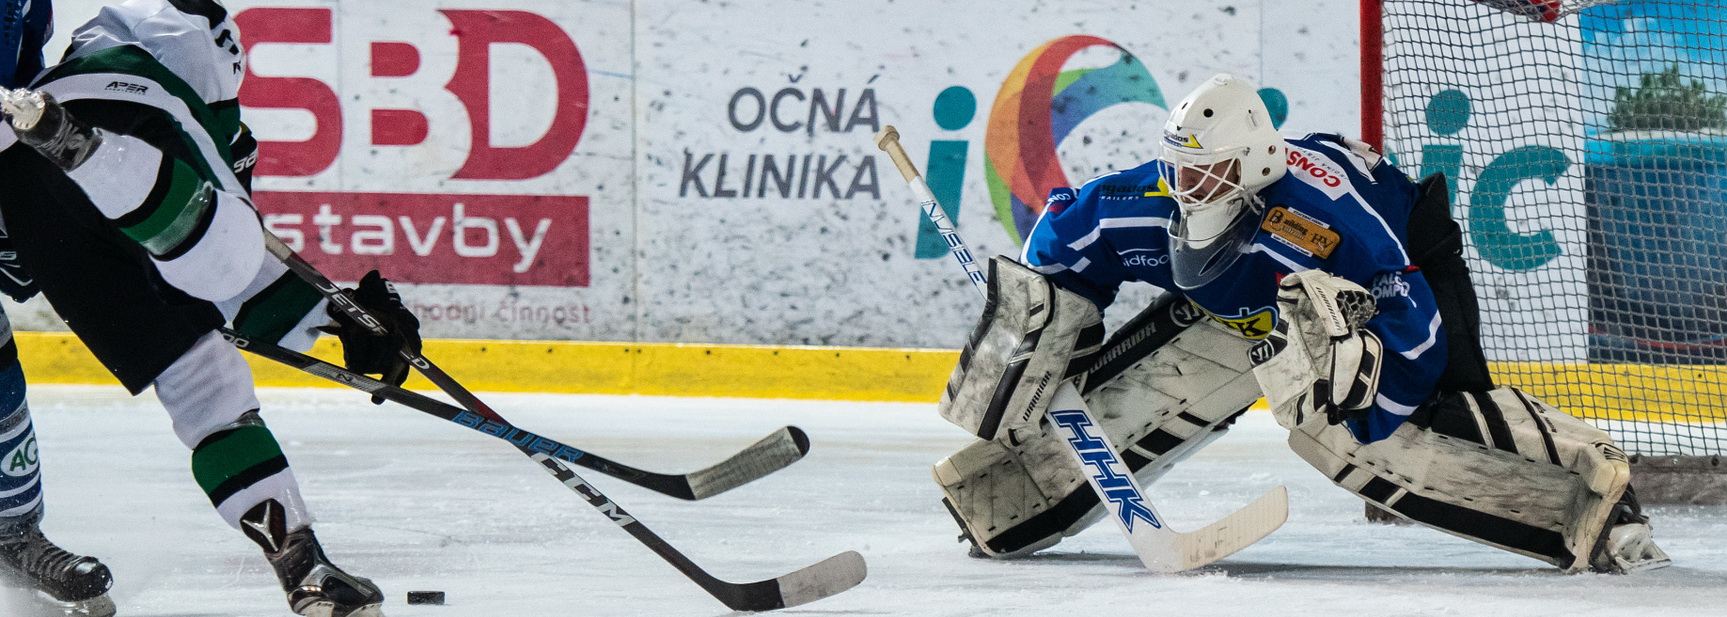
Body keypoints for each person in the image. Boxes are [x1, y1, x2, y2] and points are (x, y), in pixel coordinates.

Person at [932, 73, 1670, 574]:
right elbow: (1060, 246)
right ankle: (1008, 502)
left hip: (1404, 256)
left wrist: (1370, 403)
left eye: (1206, 174)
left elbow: (1411, 324)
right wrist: (1048, 326)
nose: (1186, 188)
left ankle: (1600, 498)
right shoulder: (1150, 202)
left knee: (1361, 432)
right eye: (1180, 171)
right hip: (1256, 293)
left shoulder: (1324, 225)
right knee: (1169, 379)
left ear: (1253, 163)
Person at [0, 0, 420, 615]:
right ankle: (88, 153)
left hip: (25, 159)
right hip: (95, 122)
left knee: (204, 371)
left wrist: (339, 319)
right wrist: (334, 315)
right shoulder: (181, 46)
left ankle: (305, 568)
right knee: (217, 303)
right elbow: (234, 275)